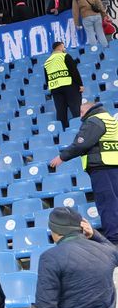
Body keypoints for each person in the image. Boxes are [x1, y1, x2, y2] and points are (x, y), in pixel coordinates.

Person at [49, 98, 118, 245]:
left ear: (88, 109)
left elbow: (81, 143)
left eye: (81, 112)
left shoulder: (94, 120)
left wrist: (62, 157)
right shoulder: (108, 118)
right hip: (113, 164)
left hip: (102, 167)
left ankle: (113, 241)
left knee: (107, 204)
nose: (80, 116)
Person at [44, 41, 83, 130]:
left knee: (61, 112)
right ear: (60, 47)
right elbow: (74, 71)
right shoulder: (65, 56)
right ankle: (80, 129)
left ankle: (64, 132)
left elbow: (47, 79)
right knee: (75, 109)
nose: (64, 49)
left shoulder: (47, 61)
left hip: (55, 89)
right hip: (69, 86)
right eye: (63, 47)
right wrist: (80, 84)